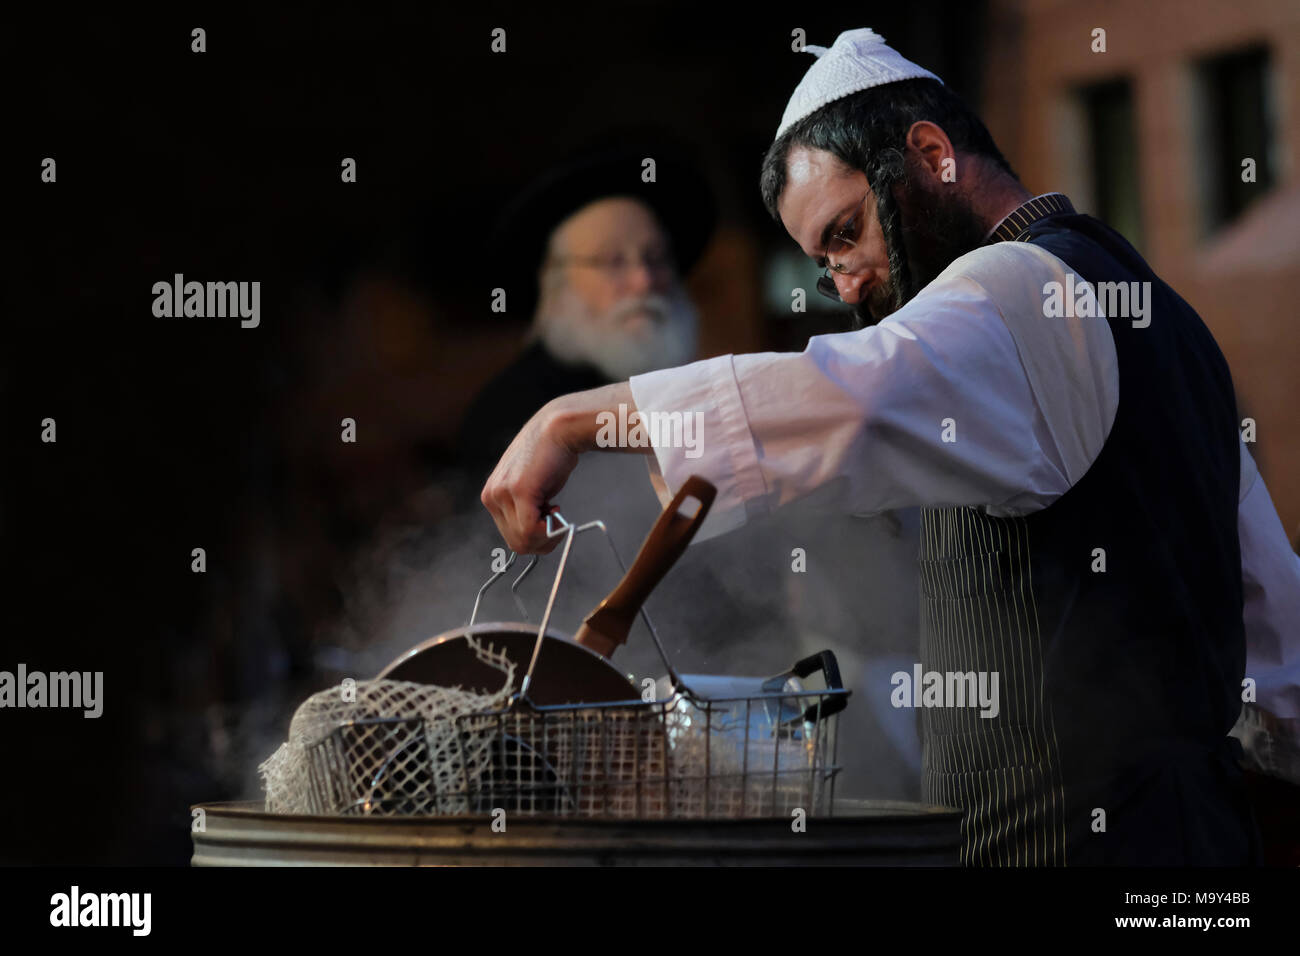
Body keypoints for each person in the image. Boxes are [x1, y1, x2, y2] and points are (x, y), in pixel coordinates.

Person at [478, 28, 1300, 865]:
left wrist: (572, 421)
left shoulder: (1015, 288)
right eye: (822, 265)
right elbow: (1278, 634)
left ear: (932, 155)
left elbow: (848, 397)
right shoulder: (1174, 325)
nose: (845, 284)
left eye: (845, 233)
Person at [458, 143, 713, 472]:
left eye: (656, 258)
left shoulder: (695, 397)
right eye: (613, 261)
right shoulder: (508, 415)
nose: (644, 280)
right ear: (558, 284)